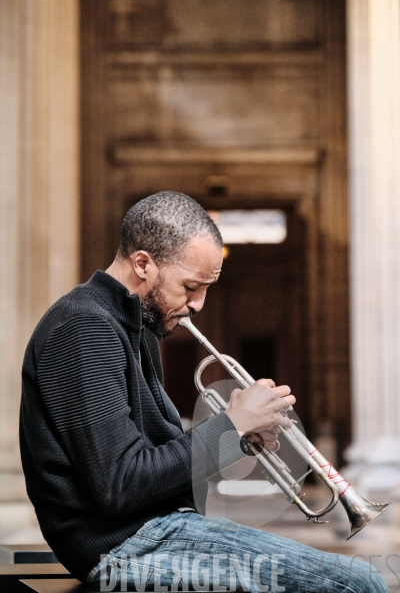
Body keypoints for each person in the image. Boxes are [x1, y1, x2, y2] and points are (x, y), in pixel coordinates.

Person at [20, 191, 388, 592]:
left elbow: (157, 471)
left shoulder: (134, 327)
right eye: (191, 286)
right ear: (143, 263)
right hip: (126, 546)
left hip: (158, 532)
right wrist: (230, 426)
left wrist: (238, 441)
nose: (198, 304)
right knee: (359, 581)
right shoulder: (84, 328)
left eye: (207, 287)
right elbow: (122, 484)